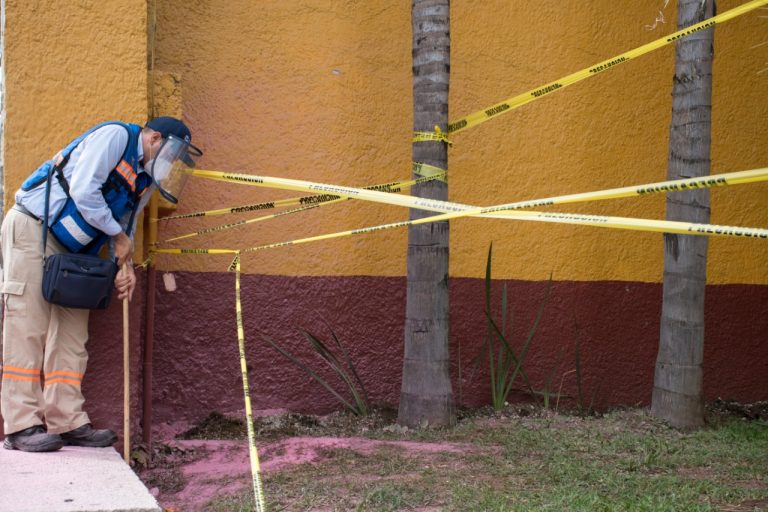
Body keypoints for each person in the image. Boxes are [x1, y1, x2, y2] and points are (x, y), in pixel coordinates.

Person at [0, 117, 202, 452]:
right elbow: (83, 190)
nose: (172, 163)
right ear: (154, 138)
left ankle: (67, 421)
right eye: (172, 154)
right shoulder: (115, 137)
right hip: (34, 229)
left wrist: (124, 266)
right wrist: (119, 237)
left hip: (77, 249)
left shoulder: (145, 176)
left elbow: (128, 221)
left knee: (73, 336)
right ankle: (21, 425)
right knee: (27, 328)